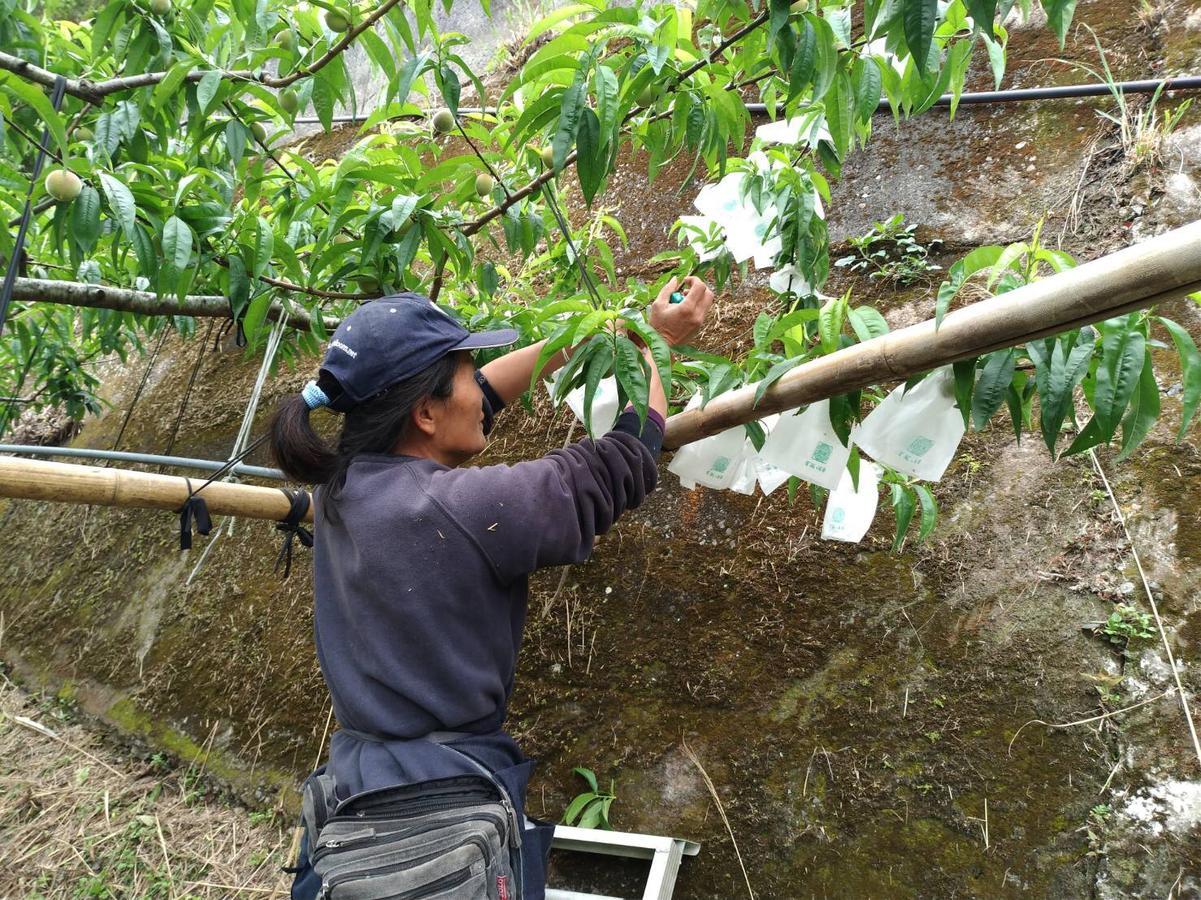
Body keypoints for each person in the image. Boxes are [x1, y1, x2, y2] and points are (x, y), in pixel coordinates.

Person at [269, 276, 715, 899]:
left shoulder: (343, 487)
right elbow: (626, 459)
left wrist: (600, 336)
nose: (477, 387)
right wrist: (656, 346)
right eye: (463, 372)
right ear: (424, 413)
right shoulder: (464, 506)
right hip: (441, 806)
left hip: (361, 786)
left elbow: (479, 394)